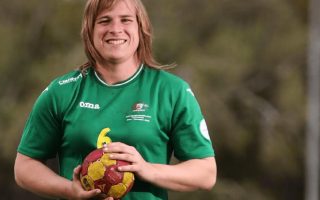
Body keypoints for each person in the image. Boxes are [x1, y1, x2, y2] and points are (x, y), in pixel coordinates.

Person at [14, 0, 217, 199]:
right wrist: (70, 190)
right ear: (89, 30)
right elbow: (24, 166)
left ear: (141, 27)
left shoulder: (172, 91)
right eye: (104, 21)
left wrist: (147, 169)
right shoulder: (61, 92)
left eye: (126, 20)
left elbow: (206, 173)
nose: (115, 29)